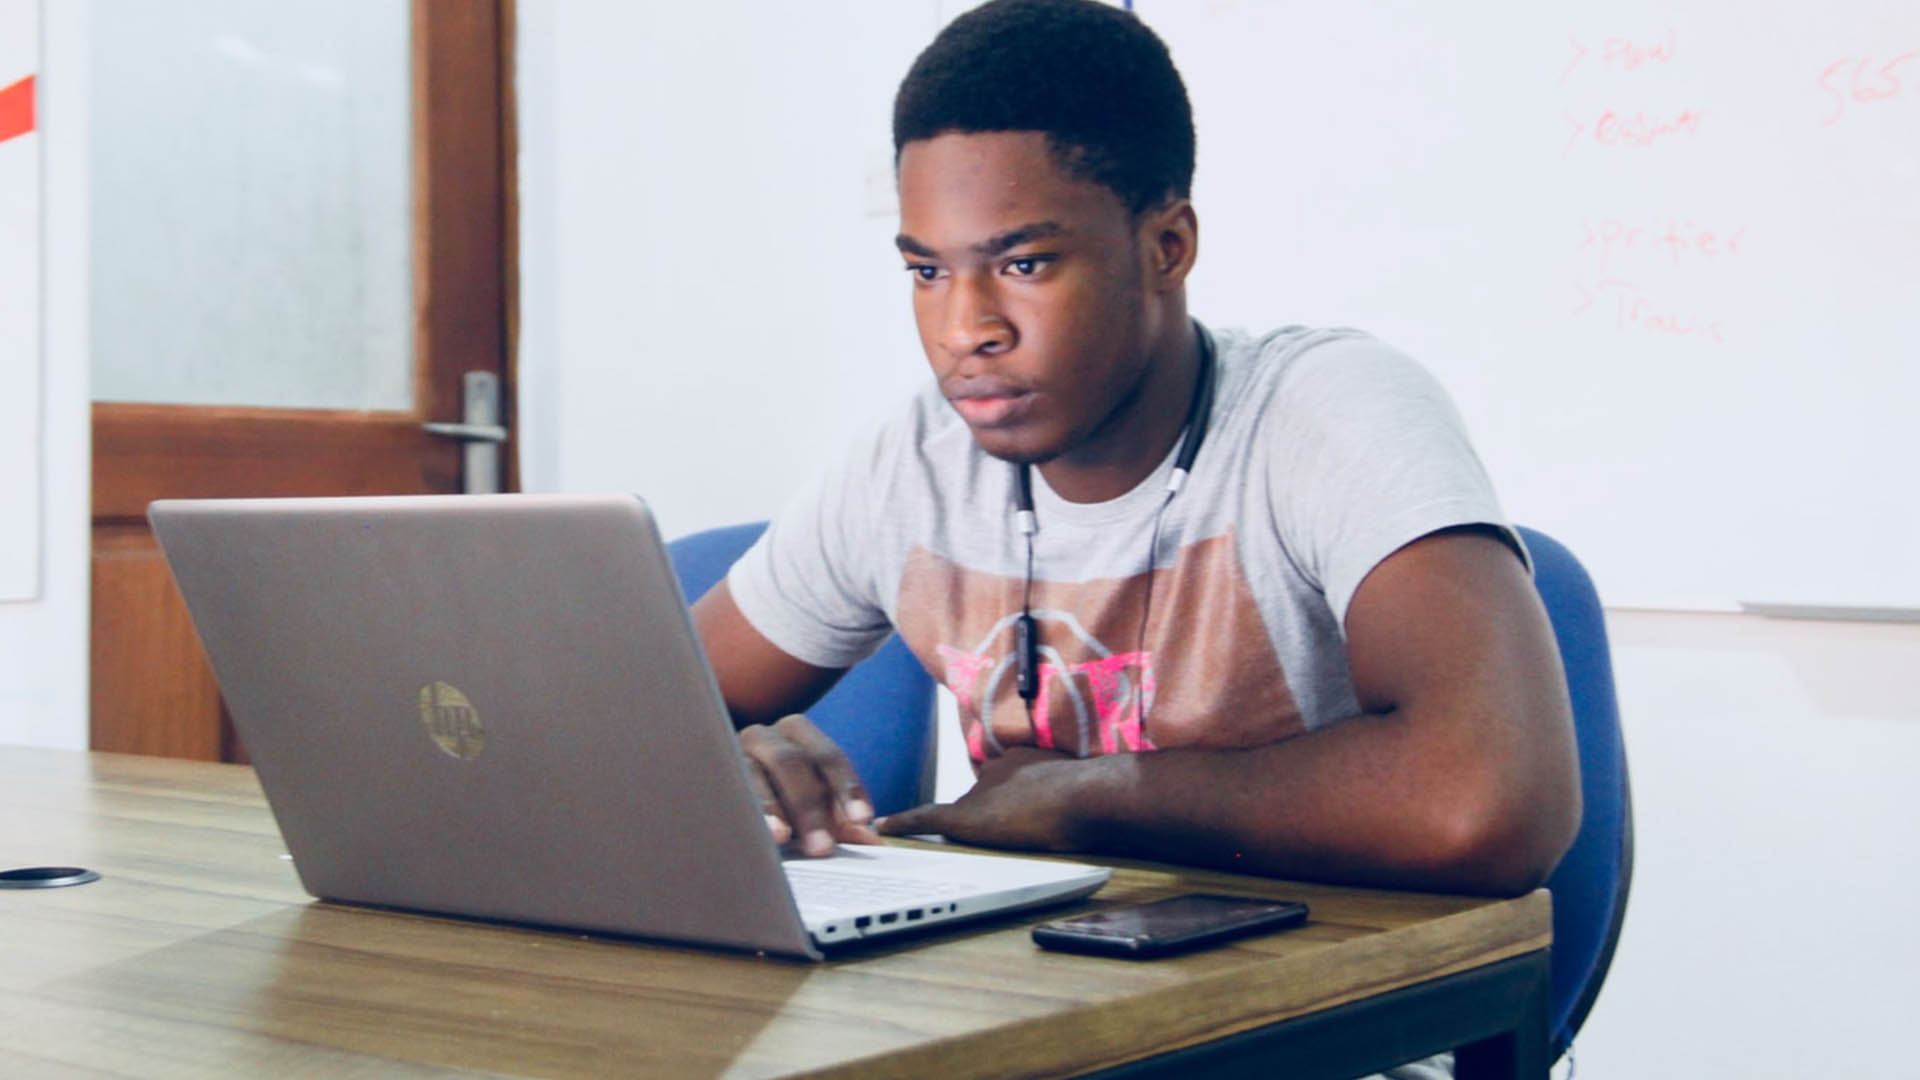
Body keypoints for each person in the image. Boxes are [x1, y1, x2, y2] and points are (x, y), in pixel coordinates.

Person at [693, 0, 1579, 902]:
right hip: (1034, 976)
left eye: (1024, 265)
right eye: (928, 271)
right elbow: (628, 722)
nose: (965, 329)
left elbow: (1488, 804)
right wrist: (732, 766)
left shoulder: (1326, 412)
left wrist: (1090, 797)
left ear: (1167, 247)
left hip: (1332, 983)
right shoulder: (914, 462)